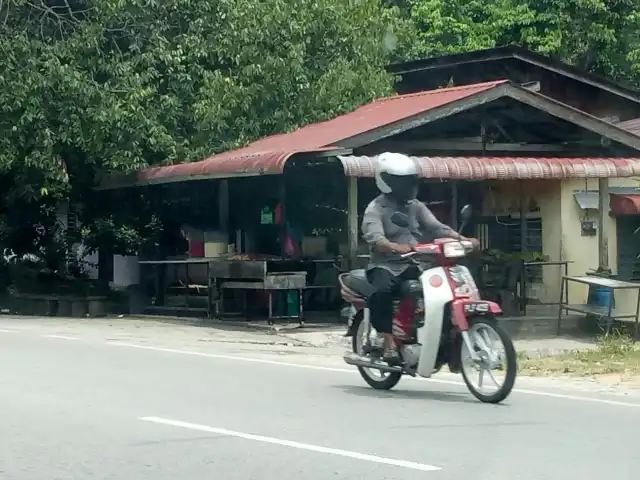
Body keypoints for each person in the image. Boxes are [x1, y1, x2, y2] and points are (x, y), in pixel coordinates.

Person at [361, 152, 479, 364]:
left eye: (409, 180)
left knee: (441, 288)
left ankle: (433, 334)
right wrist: (395, 246)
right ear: (387, 181)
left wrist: (463, 238)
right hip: (385, 265)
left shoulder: (415, 206)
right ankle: (387, 340)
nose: (408, 186)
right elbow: (376, 238)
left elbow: (436, 228)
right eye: (402, 181)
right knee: (382, 291)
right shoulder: (375, 208)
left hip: (414, 263)